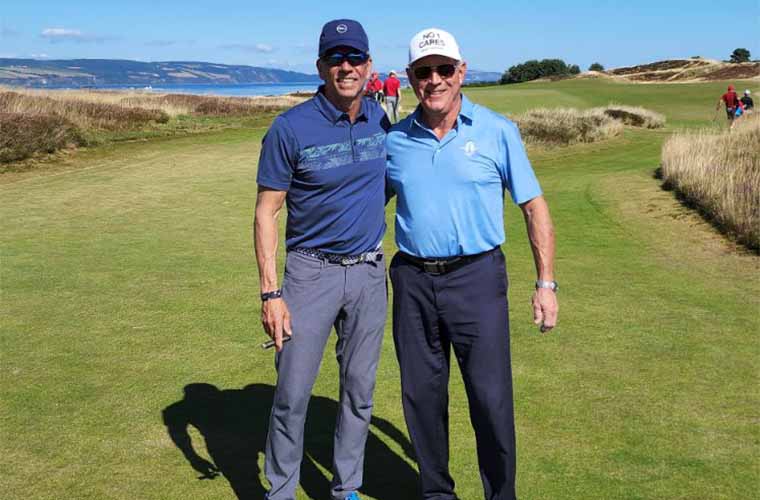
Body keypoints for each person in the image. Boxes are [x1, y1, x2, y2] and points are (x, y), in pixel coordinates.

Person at [386, 28, 559, 500]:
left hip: (477, 278)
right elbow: (362, 205)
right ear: (410, 79)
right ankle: (436, 493)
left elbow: (533, 206)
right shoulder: (395, 140)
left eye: (445, 69)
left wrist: (546, 283)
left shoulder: (498, 130)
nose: (435, 80)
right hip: (412, 280)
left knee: (490, 399)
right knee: (422, 398)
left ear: (462, 72)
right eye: (424, 71)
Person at [254, 18, 390, 500]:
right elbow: (267, 212)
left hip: (371, 272)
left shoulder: (380, 118)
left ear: (369, 66)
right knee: (292, 394)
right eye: (336, 58)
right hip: (310, 274)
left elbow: (387, 186)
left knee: (358, 391)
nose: (346, 67)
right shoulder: (289, 127)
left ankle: (346, 487)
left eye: (354, 58)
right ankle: (282, 490)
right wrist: (271, 292)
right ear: (320, 66)